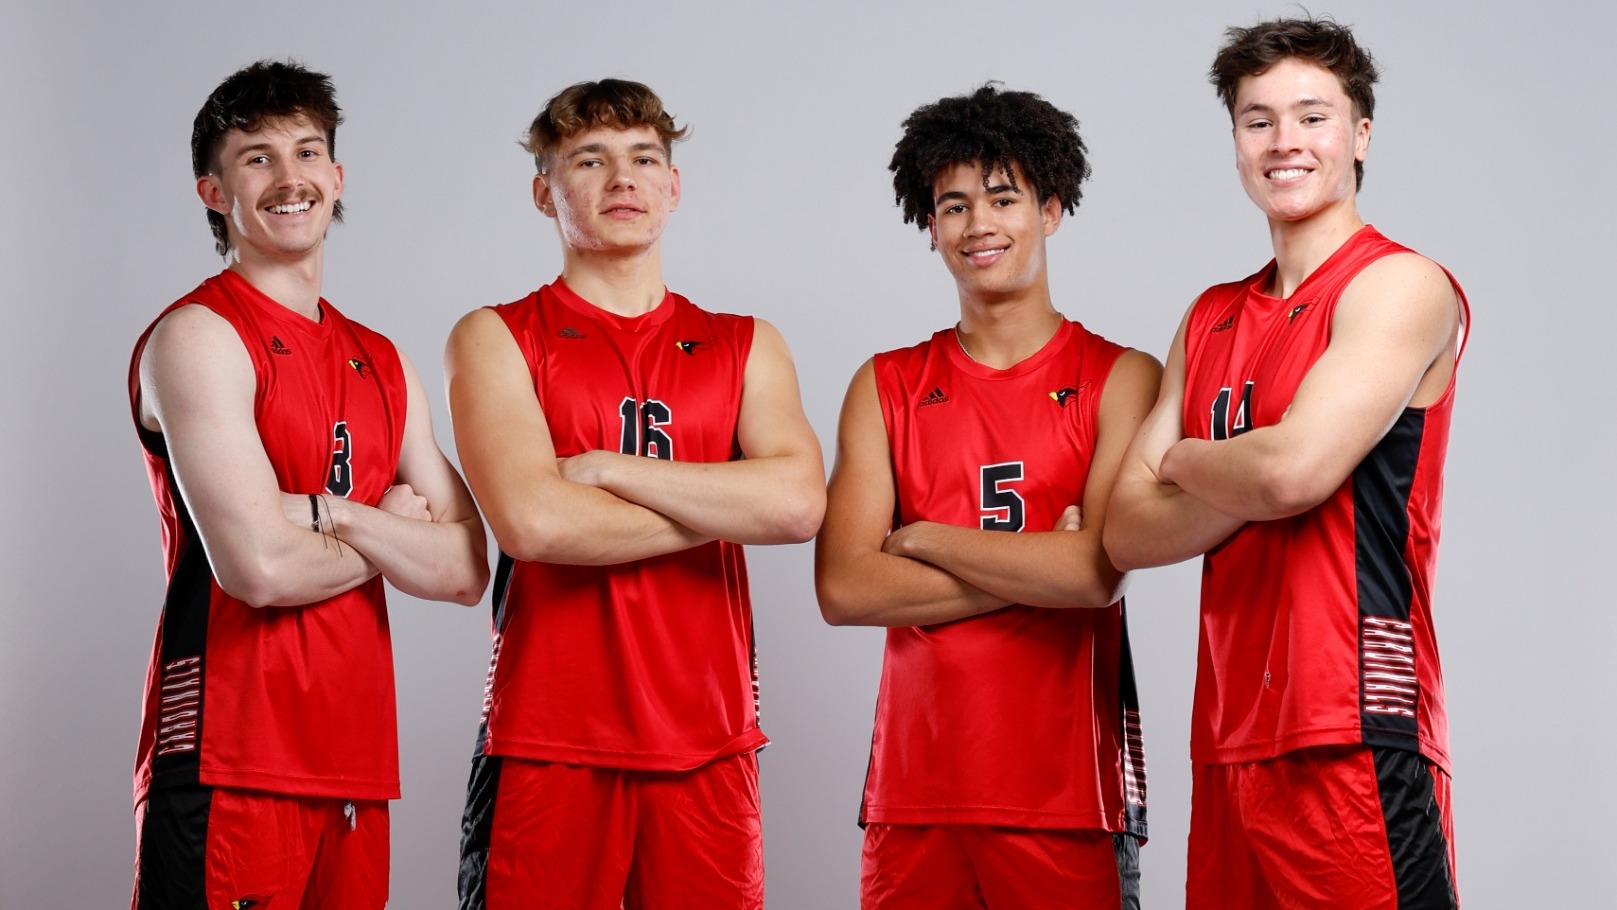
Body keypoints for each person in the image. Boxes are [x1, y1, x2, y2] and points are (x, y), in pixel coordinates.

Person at [1104, 17, 1468, 909]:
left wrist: (1184, 458)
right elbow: (1123, 529)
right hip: (1230, 730)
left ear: (1360, 135)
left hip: (1350, 717)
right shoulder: (1211, 315)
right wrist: (1248, 468)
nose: (1284, 142)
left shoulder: (1397, 284)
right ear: (1234, 141)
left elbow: (1290, 473)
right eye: (1256, 119)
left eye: (1312, 116)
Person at [446, 78, 824, 909]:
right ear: (545, 191)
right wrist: (729, 503)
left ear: (673, 187)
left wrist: (608, 469)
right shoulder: (496, 334)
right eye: (590, 159)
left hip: (710, 743)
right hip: (547, 740)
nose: (623, 180)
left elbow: (797, 505)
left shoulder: (745, 342)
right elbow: (535, 522)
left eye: (643, 158)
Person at [128, 60, 489, 910]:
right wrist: (382, 523)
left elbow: (468, 569)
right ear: (213, 191)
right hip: (230, 754)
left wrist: (324, 515)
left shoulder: (385, 359)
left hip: (356, 766)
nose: (289, 178)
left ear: (336, 175)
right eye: (256, 158)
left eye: (306, 151)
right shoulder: (197, 337)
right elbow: (258, 571)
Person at [814, 84, 1159, 909]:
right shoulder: (886, 383)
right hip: (912, 799)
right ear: (929, 226)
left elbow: (1089, 576)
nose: (978, 226)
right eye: (953, 206)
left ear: (1050, 209)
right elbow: (843, 588)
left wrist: (922, 536)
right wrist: (1033, 562)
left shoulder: (1122, 377)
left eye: (1002, 198)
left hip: (1070, 796)